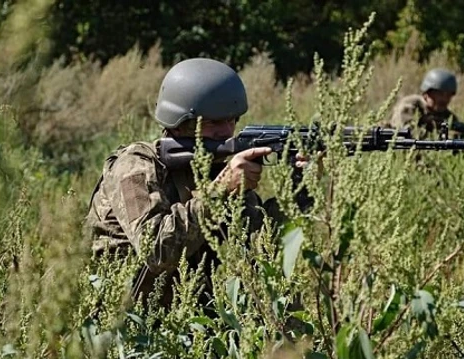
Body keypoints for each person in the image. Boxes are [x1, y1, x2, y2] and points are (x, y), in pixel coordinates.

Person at [86, 57, 302, 309]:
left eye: (231, 120)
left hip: (185, 317)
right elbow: (156, 251)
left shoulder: (213, 169)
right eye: (213, 122)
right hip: (122, 322)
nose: (226, 131)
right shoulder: (134, 166)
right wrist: (220, 190)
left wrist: (300, 187)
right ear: (180, 124)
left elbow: (263, 242)